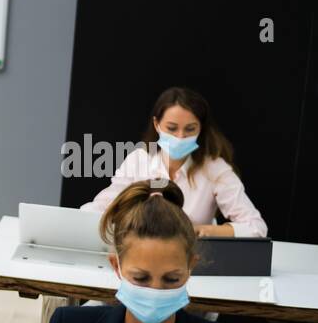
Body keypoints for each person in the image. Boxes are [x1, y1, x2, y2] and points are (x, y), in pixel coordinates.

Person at [46, 181, 255, 323]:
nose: (155, 292)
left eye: (171, 279)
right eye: (141, 278)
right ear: (116, 266)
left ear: (191, 267)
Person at [82, 86, 266, 238]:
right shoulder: (139, 159)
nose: (180, 136)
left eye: (190, 129)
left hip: (190, 260)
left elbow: (256, 228)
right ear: (157, 125)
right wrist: (78, 219)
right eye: (171, 128)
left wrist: (202, 230)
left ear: (201, 128)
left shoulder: (215, 169)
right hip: (139, 253)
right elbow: (104, 206)